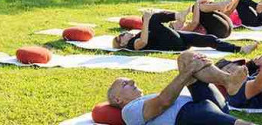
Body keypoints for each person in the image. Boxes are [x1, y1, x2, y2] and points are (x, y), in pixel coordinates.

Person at [107, 51, 253, 125]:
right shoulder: (128, 111)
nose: (133, 81)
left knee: (186, 57)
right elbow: (163, 103)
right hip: (188, 117)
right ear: (117, 99)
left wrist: (193, 66)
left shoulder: (144, 100)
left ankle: (228, 81)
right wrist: (189, 71)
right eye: (125, 84)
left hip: (202, 107)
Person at [113, 10, 257, 54]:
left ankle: (239, 49)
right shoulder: (132, 44)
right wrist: (147, 22)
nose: (123, 34)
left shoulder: (136, 35)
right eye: (120, 37)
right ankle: (177, 15)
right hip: (172, 44)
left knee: (210, 39)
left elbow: (160, 33)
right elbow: (143, 42)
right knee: (151, 19)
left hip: (178, 40)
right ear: (123, 43)